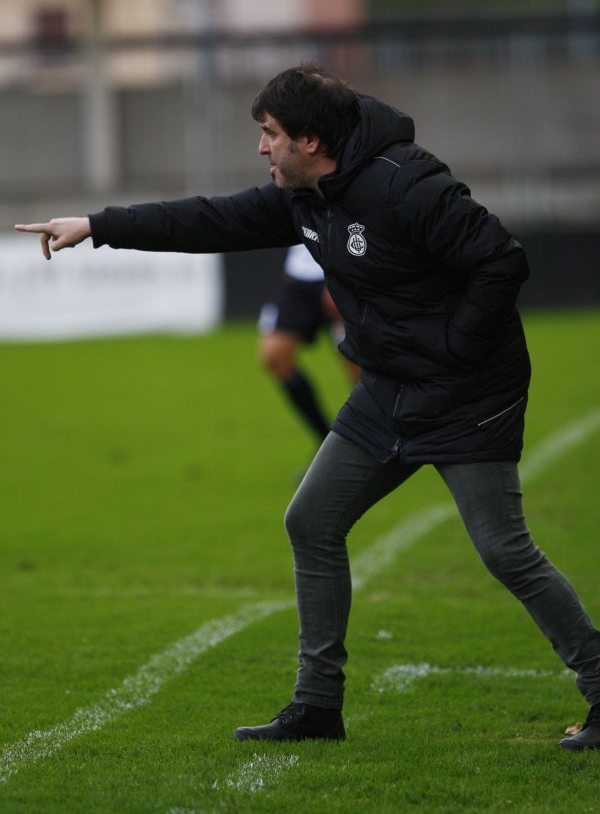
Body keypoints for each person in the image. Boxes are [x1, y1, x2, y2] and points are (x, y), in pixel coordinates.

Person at [15, 62, 600, 751]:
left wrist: (455, 346)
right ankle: (318, 705)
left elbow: (500, 260)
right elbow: (209, 219)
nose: (261, 147)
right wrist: (96, 224)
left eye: (270, 133)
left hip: (466, 392)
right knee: (311, 521)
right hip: (387, 389)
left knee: (505, 550)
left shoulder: (405, 184)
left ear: (312, 140)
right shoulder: (304, 194)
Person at [258, 243, 359, 448]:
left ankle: (376, 446)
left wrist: (341, 274)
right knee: (274, 357)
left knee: (360, 374)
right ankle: (326, 444)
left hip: (342, 276)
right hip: (299, 276)